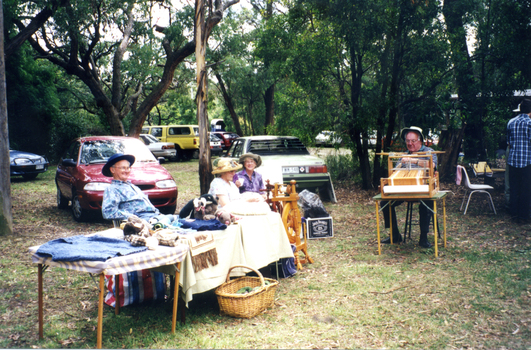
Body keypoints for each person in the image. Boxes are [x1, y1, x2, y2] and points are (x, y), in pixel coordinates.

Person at [381, 126, 438, 248]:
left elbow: (432, 165)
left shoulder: (429, 151)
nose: (410, 144)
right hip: (404, 189)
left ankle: (423, 238)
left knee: (427, 202)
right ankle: (395, 235)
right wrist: (401, 162)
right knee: (384, 203)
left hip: (423, 190)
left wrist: (414, 161)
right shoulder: (404, 154)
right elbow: (395, 171)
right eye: (408, 141)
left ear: (420, 140)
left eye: (413, 141)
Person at [101, 153, 160, 221]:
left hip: (155, 217)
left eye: (128, 168)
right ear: (112, 170)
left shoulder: (133, 187)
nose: (126, 171)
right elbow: (108, 212)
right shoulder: (112, 189)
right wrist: (132, 218)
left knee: (173, 219)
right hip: (142, 221)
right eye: (123, 168)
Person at [506, 99, 531, 224]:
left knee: (514, 188)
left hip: (513, 160)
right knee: (526, 189)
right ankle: (524, 217)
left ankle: (514, 214)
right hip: (527, 161)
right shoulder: (530, 123)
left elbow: (509, 143)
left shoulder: (511, 122)